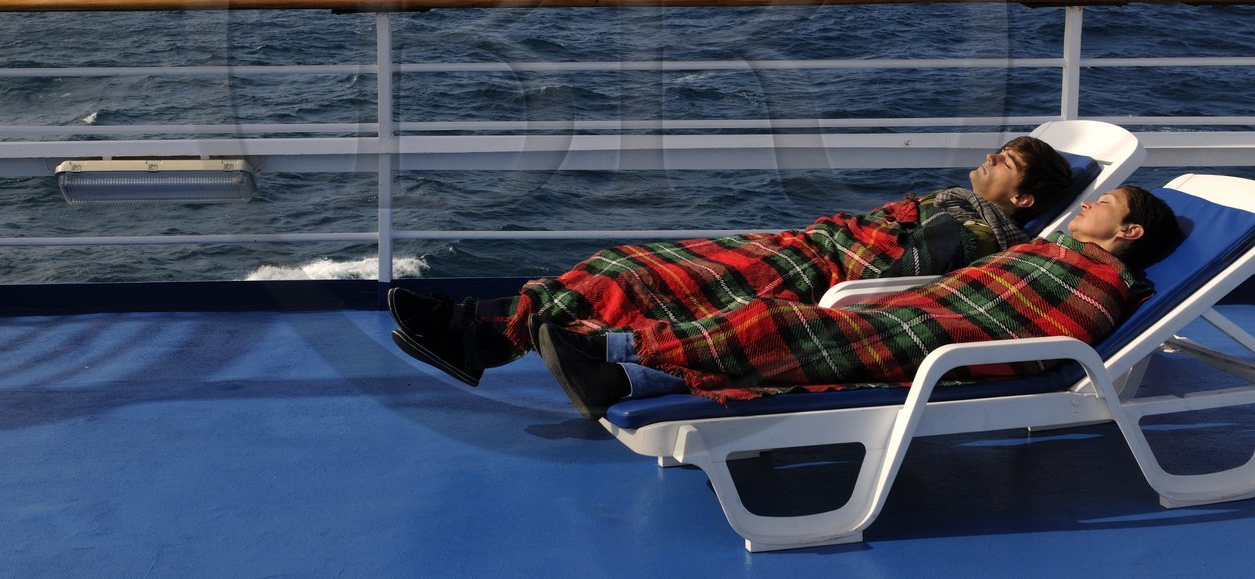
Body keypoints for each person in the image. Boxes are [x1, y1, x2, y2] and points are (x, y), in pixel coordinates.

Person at [389, 135, 1076, 387]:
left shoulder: (982, 234)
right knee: (625, 262)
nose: (990, 158)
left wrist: (825, 272)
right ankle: (484, 329)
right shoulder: (953, 200)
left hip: (812, 274)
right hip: (800, 248)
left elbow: (896, 275)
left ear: (1023, 195)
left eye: (1005, 160)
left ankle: (483, 333)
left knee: (636, 277)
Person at [538, 185, 1182, 419]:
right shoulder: (1051, 252)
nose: (1091, 203)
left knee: (778, 324)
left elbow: (1048, 328)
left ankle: (617, 348)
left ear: (1129, 234)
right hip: (926, 315)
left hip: (956, 346)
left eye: (1108, 205)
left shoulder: (1103, 283)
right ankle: (624, 373)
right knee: (786, 330)